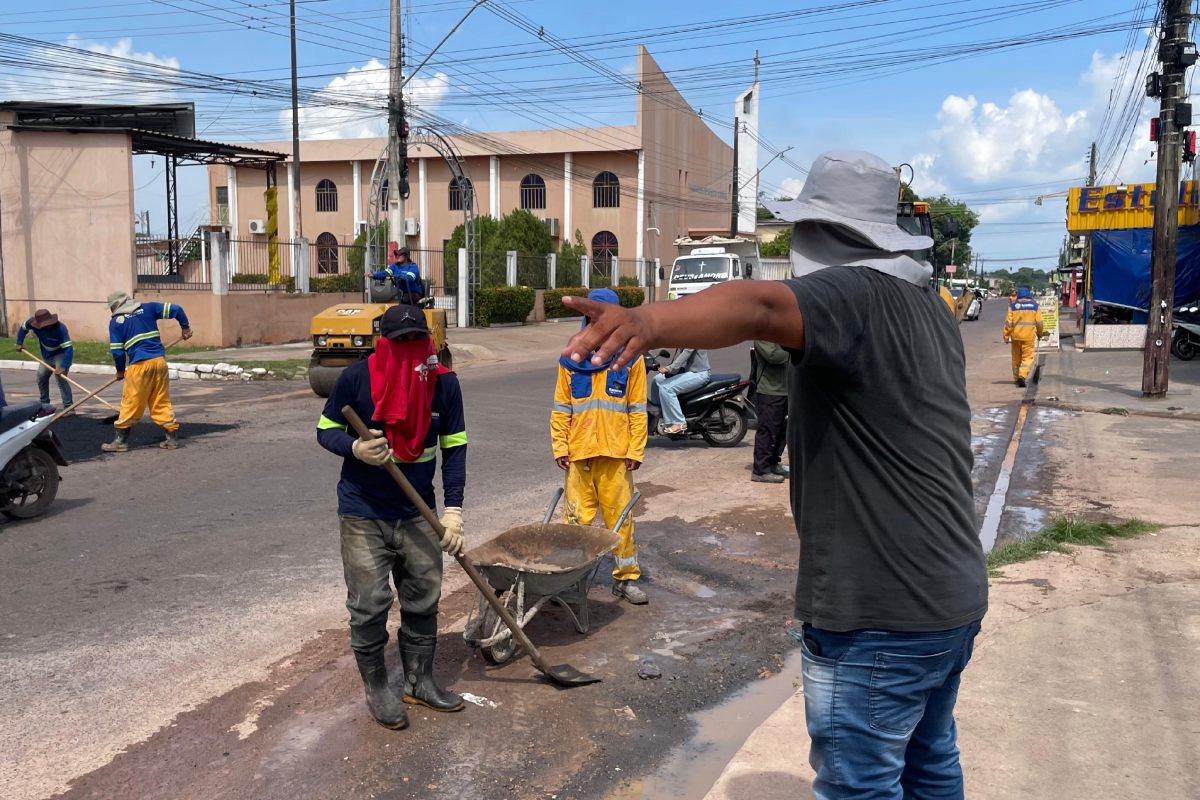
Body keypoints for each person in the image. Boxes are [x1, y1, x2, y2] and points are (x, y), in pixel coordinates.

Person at [559, 151, 987, 799]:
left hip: (879, 612)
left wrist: (645, 321)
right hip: (950, 600)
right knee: (929, 762)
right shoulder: (928, 307)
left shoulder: (854, 294)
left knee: (860, 787)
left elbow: (760, 306)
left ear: (824, 234)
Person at [317, 304, 467, 729]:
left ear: (428, 341)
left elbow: (455, 449)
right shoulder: (356, 378)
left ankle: (418, 681)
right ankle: (379, 687)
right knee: (369, 605)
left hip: (418, 509)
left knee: (424, 598)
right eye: (400, 342)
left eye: (417, 341)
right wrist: (354, 449)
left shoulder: (443, 385)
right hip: (363, 511)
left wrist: (453, 512)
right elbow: (324, 428)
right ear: (383, 342)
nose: (410, 350)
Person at [550, 288, 649, 605]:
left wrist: (635, 450)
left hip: (616, 455)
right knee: (575, 523)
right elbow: (561, 407)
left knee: (620, 520)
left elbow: (637, 407)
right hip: (579, 454)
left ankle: (626, 579)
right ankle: (570, 579)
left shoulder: (631, 358)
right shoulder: (571, 357)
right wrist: (560, 446)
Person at [102, 292, 192, 452]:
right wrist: (185, 328)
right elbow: (177, 309)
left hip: (139, 367)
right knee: (161, 400)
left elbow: (117, 352)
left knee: (131, 402)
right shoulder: (149, 308)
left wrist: (120, 371)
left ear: (115, 307)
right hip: (159, 362)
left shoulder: (116, 322)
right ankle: (171, 439)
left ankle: (120, 441)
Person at [15, 308, 74, 408]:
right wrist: (19, 342)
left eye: (50, 323)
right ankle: (44, 404)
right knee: (41, 376)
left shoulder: (60, 328)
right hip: (47, 356)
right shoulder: (31, 322)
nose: (48, 326)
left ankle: (68, 406)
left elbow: (69, 349)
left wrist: (63, 366)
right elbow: (23, 328)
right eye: (45, 325)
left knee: (60, 377)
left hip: (61, 354)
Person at [750, 340, 789, 484]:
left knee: (782, 430)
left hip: (785, 389)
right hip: (769, 390)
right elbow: (773, 356)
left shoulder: (781, 335)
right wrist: (795, 351)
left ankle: (773, 463)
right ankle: (760, 470)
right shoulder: (762, 336)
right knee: (768, 430)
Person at [651, 348, 710, 435]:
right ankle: (659, 416)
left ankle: (679, 422)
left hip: (699, 374)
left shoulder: (693, 335)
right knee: (657, 380)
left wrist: (669, 368)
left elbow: (685, 353)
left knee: (666, 388)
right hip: (688, 372)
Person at [1003, 287, 1045, 388]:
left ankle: (1016, 378)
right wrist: (1040, 334)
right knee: (1027, 358)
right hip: (1028, 338)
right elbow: (1039, 323)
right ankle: (1022, 375)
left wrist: (1005, 336)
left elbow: (1008, 324)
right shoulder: (1035, 306)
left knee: (1016, 359)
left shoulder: (1013, 306)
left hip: (1015, 337)